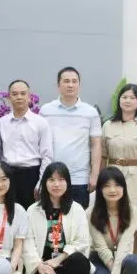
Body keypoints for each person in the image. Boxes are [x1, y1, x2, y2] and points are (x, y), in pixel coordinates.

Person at [22, 162, 91, 274]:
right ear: (44, 183)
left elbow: (82, 242)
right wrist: (38, 265)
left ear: (68, 182)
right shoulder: (33, 210)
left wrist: (59, 259)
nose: (56, 184)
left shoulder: (77, 209)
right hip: (45, 265)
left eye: (61, 179)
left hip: (68, 262)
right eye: (51, 180)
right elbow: (28, 243)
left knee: (78, 260)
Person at [102, 83, 137, 258]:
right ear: (119, 100)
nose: (127, 100)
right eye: (124, 97)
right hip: (113, 179)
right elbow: (103, 155)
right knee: (113, 224)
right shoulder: (108, 125)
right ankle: (114, 264)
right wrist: (99, 181)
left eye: (132, 98)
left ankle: (135, 265)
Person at [40, 67, 101, 209]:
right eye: (66, 81)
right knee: (53, 218)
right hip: (52, 178)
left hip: (79, 179)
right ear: (58, 85)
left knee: (77, 217)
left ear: (79, 85)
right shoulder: (46, 111)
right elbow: (40, 144)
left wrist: (94, 175)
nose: (70, 85)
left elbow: (96, 145)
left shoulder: (90, 112)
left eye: (74, 81)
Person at [88, 167, 137, 274]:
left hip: (121, 256)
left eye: (117, 185)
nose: (112, 190)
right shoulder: (90, 213)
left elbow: (125, 244)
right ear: (100, 189)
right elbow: (101, 249)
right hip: (99, 258)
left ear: (124, 188)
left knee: (135, 261)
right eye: (106, 186)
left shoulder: (133, 211)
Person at [0, 79, 53, 209]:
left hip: (31, 176)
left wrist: (41, 182)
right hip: (7, 175)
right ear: (8, 98)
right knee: (7, 214)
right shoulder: (1, 123)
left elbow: (47, 156)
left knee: (31, 214)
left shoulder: (40, 123)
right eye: (15, 94)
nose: (19, 97)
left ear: (29, 97)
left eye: (23, 93)